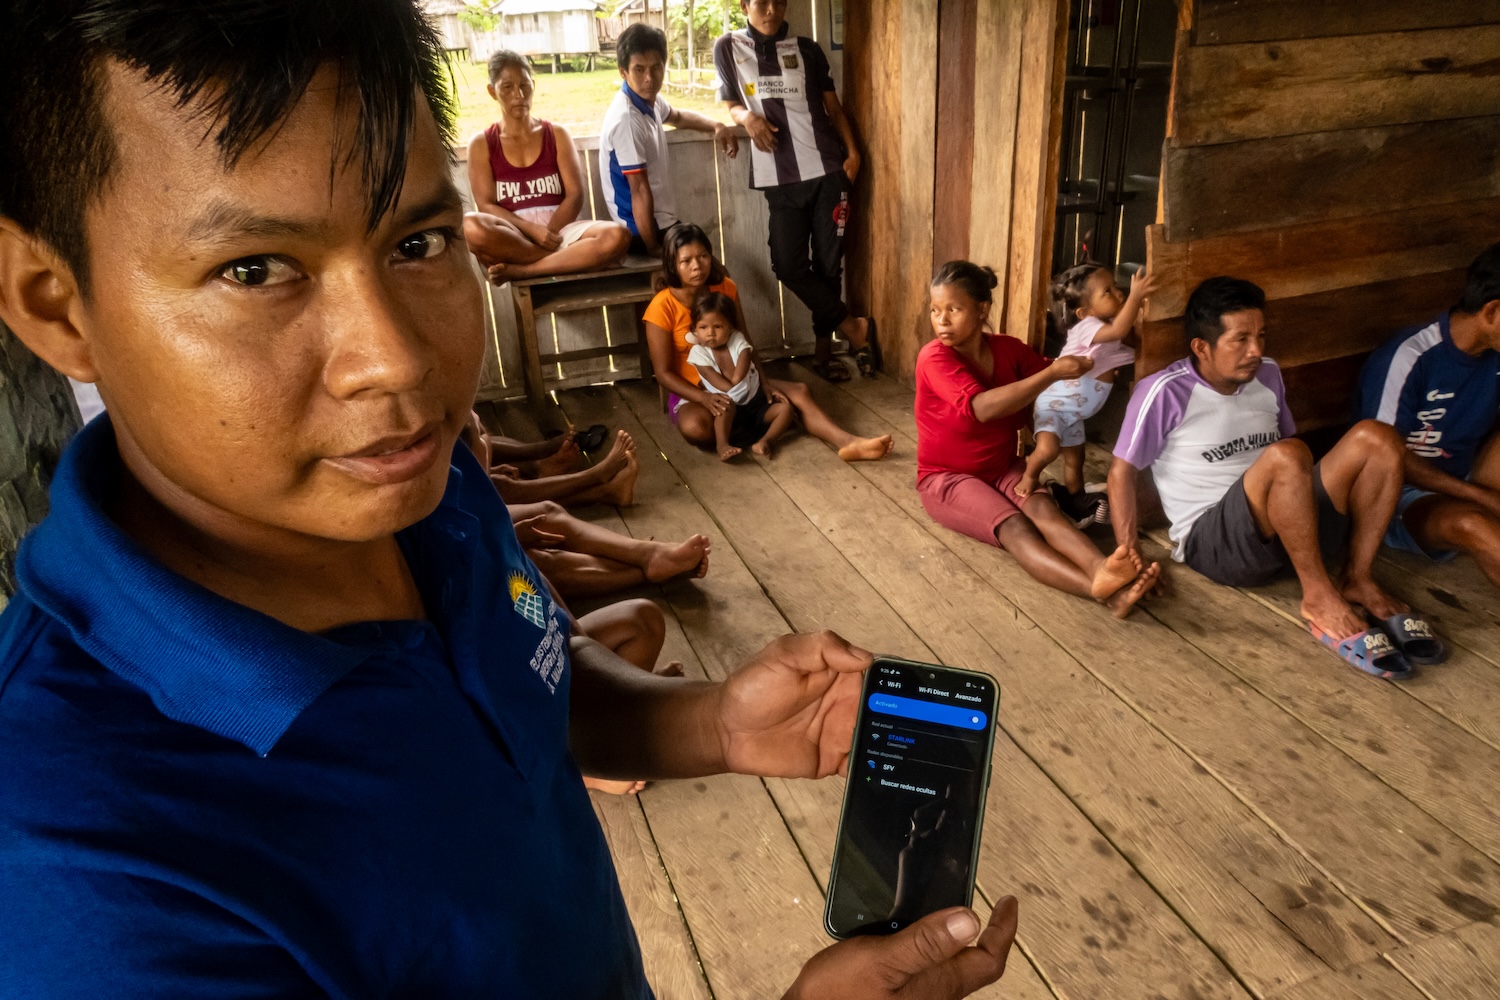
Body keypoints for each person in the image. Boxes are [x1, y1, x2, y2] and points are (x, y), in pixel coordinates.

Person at [0, 2, 1020, 996]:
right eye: (256, 268)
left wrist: (711, 722)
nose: (396, 363)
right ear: (56, 301)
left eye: (417, 244)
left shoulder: (425, 497)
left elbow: (524, 682)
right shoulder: (78, 872)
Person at [1108, 277, 1446, 678]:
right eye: (1241, 339)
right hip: (1217, 544)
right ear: (1202, 347)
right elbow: (1120, 473)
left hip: (1288, 526)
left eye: (1261, 335)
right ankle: (1318, 596)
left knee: (1379, 437)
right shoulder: (1164, 391)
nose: (1257, 350)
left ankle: (1357, 577)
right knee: (1288, 455)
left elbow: (1289, 458)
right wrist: (1129, 551)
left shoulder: (1266, 374)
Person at [916, 261, 1160, 618]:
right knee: (1016, 527)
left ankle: (1103, 570)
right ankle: (1099, 589)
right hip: (947, 478)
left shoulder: (1007, 350)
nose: (942, 320)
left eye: (954, 309)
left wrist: (1096, 364)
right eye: (936, 310)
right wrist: (1052, 373)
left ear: (982, 310)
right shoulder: (934, 357)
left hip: (1002, 467)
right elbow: (982, 408)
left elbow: (1057, 371)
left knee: (1045, 510)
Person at [714, 0, 878, 382]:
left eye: (778, 2)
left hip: (826, 170)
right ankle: (853, 328)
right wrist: (746, 118)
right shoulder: (728, 47)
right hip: (779, 178)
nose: (770, 10)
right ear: (744, 5)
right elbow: (730, 103)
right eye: (760, 2)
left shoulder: (807, 49)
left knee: (827, 264)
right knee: (787, 265)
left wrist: (853, 154)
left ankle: (824, 354)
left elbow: (833, 109)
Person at [643, 224, 893, 461]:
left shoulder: (724, 287)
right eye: (686, 261)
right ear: (673, 265)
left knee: (798, 392)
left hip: (740, 380)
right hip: (695, 390)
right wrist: (704, 398)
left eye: (703, 256)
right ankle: (761, 421)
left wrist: (762, 381)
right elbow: (663, 374)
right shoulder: (661, 307)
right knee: (696, 428)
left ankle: (847, 442)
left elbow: (744, 339)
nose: (697, 266)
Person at [1356, 242, 1500, 590]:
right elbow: (1386, 459)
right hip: (1400, 495)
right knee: (1473, 525)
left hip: (1471, 478)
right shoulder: (1410, 356)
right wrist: (1480, 497)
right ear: (1493, 312)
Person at [463, 50, 632, 281]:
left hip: (561, 232)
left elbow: (575, 195)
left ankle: (525, 270)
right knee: (470, 226)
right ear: (492, 91)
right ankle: (563, 260)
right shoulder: (482, 144)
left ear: (533, 85)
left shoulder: (556, 135)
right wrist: (532, 231)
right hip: (515, 235)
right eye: (507, 87)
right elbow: (486, 205)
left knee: (618, 236)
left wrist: (550, 233)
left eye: (525, 85)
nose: (519, 94)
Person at [1016, 263, 1159, 509]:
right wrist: (1136, 297)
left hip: (1073, 413)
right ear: (1084, 312)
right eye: (1108, 291)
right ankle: (1029, 476)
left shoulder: (1109, 333)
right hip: (1054, 405)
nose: (1119, 294)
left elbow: (1135, 348)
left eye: (1116, 287)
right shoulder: (1087, 328)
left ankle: (1076, 496)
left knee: (1076, 459)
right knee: (1048, 450)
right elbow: (1117, 330)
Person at [600, 24, 738, 256]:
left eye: (656, 68)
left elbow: (679, 117)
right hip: (639, 231)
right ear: (622, 72)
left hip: (659, 222)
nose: (649, 78)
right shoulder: (626, 119)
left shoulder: (648, 101)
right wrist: (654, 247)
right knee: (709, 269)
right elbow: (639, 190)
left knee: (707, 266)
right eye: (639, 69)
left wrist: (716, 125)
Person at [689, 291, 796, 460]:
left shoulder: (737, 339)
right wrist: (733, 387)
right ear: (695, 329)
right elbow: (715, 380)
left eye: (717, 327)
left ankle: (766, 441)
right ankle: (722, 445)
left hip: (755, 403)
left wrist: (738, 381)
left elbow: (744, 361)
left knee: (786, 409)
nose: (710, 333)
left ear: (730, 327)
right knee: (724, 407)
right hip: (730, 407)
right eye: (703, 327)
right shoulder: (698, 352)